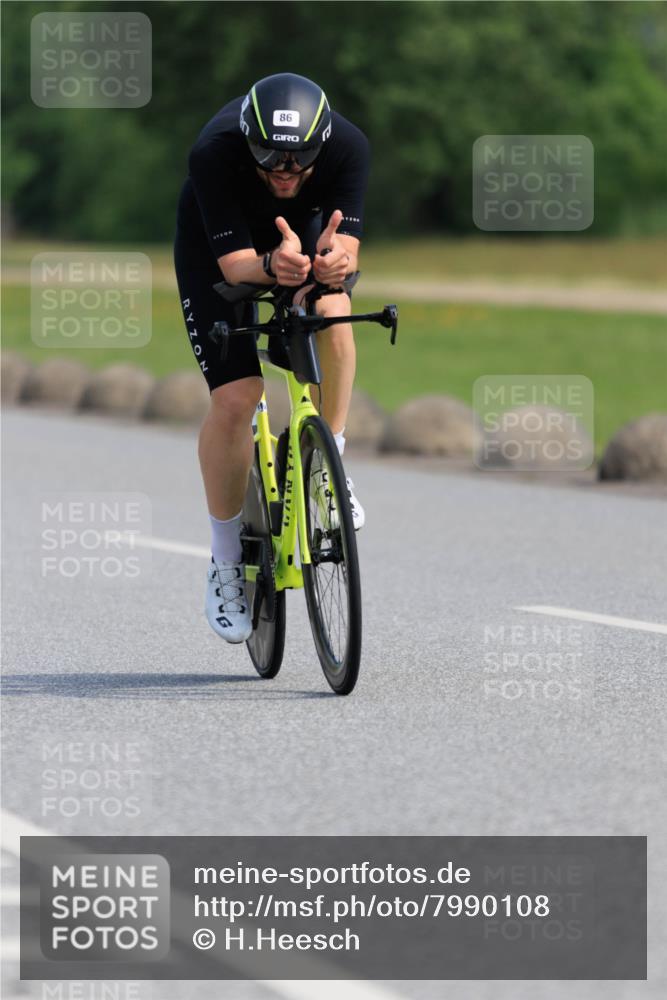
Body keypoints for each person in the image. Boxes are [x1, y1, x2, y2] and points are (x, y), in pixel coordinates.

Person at [174, 72, 370, 644]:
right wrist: (273, 267)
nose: (284, 172)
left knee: (333, 311)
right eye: (270, 159)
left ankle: (330, 458)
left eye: (298, 160)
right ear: (247, 137)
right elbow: (236, 268)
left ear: (322, 143)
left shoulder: (350, 146)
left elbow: (348, 244)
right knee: (238, 397)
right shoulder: (213, 150)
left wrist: (332, 263)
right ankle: (226, 559)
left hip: (307, 232)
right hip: (219, 247)